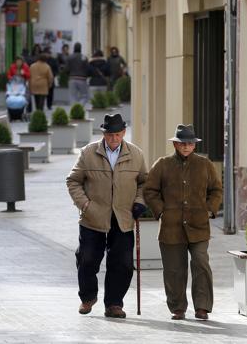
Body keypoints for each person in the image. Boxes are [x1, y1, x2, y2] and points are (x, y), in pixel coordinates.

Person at [66, 113, 147, 319]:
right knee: (87, 259)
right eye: (110, 134)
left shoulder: (136, 154)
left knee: (122, 263)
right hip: (93, 216)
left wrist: (139, 202)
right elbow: (73, 181)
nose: (114, 139)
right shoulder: (88, 152)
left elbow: (144, 183)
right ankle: (88, 297)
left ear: (124, 133)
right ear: (104, 133)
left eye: (118, 134)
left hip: (123, 217)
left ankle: (114, 304)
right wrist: (85, 205)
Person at [143, 124, 222, 321]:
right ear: (176, 144)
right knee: (174, 269)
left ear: (194, 145)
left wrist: (209, 210)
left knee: (201, 263)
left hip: (199, 225)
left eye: (190, 143)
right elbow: (150, 190)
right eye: (182, 143)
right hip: (171, 227)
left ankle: (202, 307)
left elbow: (216, 190)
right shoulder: (162, 164)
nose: (186, 147)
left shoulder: (205, 165)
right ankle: (178, 307)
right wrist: (161, 211)